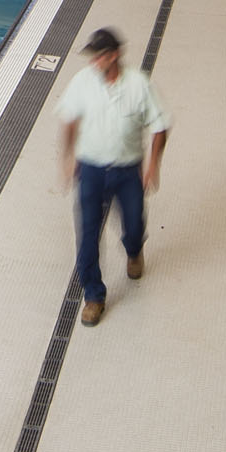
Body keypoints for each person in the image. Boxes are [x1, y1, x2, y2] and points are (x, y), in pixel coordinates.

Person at [56, 25, 168, 326]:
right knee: (87, 236)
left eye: (99, 57)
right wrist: (68, 157)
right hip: (91, 169)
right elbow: (69, 118)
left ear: (114, 56)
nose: (93, 63)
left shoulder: (138, 85)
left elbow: (160, 127)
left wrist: (153, 165)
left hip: (127, 170)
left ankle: (134, 249)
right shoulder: (82, 82)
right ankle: (93, 296)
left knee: (133, 223)